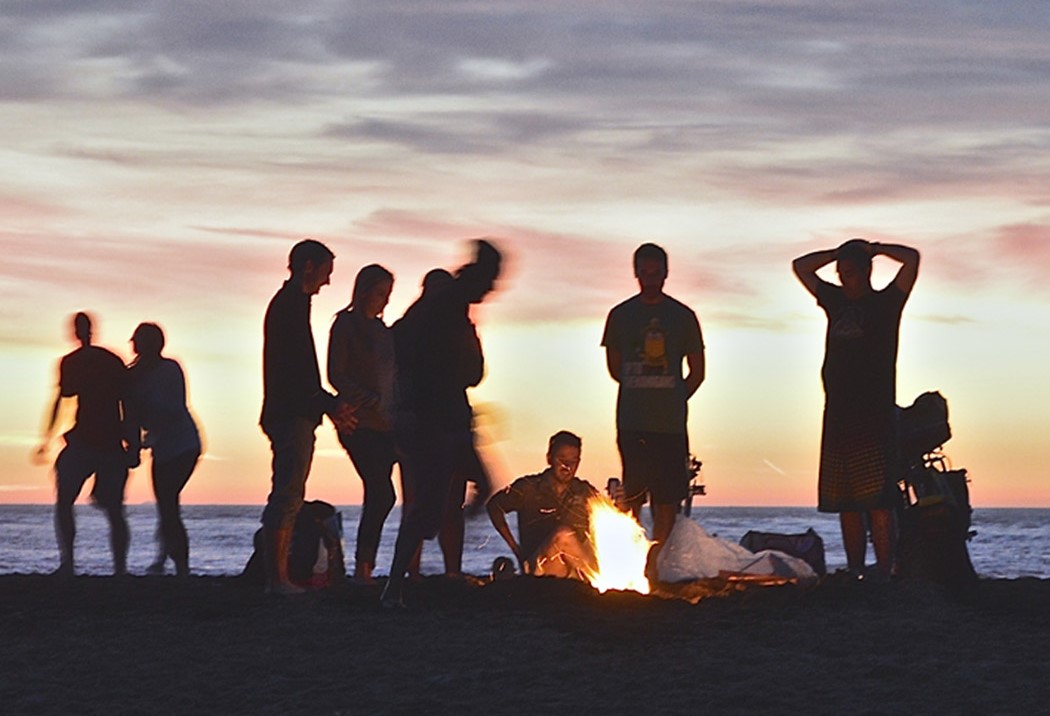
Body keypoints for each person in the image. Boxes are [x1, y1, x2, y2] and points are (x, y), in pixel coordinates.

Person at [381, 240, 502, 607]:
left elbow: (471, 371)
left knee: (468, 491)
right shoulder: (444, 308)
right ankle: (395, 585)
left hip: (445, 419)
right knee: (427, 509)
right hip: (435, 421)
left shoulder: (442, 312)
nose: (491, 290)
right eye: (490, 281)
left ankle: (400, 581)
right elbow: (467, 371)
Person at [792, 239, 920, 580]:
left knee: (878, 499)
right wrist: (836, 253)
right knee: (845, 500)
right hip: (838, 412)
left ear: (866, 271)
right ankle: (855, 569)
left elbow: (912, 260)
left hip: (873, 412)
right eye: (841, 272)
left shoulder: (886, 303)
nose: (843, 277)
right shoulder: (834, 300)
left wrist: (876, 248)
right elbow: (801, 266)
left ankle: (885, 570)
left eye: (849, 271)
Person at [601, 243, 705, 580]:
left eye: (655, 272)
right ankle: (633, 560)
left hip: (670, 425)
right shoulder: (620, 315)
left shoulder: (683, 317)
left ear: (665, 273)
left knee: (667, 498)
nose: (650, 278)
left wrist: (674, 397)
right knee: (633, 495)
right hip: (633, 422)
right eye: (644, 272)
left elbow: (698, 372)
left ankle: (655, 564)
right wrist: (642, 387)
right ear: (636, 272)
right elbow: (615, 367)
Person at [260, 239, 356, 595]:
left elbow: (300, 372)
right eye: (326, 272)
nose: (328, 281)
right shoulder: (289, 306)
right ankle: (277, 579)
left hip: (292, 410)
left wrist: (326, 404)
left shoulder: (292, 305)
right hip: (291, 413)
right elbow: (297, 371)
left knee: (289, 491)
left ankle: (279, 577)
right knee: (288, 493)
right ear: (309, 267)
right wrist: (327, 404)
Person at [37, 312, 135, 577]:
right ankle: (78, 564)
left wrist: (133, 443)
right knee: (84, 505)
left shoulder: (85, 361)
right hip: (92, 440)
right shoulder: (99, 360)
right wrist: (47, 438)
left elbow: (126, 403)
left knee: (107, 508)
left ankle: (105, 567)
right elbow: (63, 399)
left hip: (102, 442)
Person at [327, 264, 397, 584]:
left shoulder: (384, 332)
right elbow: (336, 374)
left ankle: (367, 567)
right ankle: (363, 567)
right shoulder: (345, 325)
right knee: (381, 492)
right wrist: (368, 398)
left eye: (388, 294)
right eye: (380, 293)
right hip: (358, 422)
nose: (385, 300)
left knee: (381, 493)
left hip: (388, 424)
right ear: (364, 291)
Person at [125, 322, 202, 578]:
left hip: (183, 444)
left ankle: (179, 565)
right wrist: (135, 445)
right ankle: (165, 560)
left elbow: (173, 408)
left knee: (168, 505)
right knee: (167, 506)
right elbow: (132, 416)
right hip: (162, 447)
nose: (134, 345)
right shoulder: (133, 376)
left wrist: (143, 439)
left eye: (137, 340)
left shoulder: (169, 369)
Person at [486, 430, 599, 580]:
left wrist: (619, 500)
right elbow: (494, 506)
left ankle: (597, 579)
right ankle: (601, 581)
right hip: (542, 567)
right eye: (562, 459)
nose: (567, 466)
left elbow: (611, 516)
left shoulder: (584, 491)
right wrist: (516, 549)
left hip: (576, 569)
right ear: (549, 458)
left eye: (574, 461)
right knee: (563, 536)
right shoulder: (528, 488)